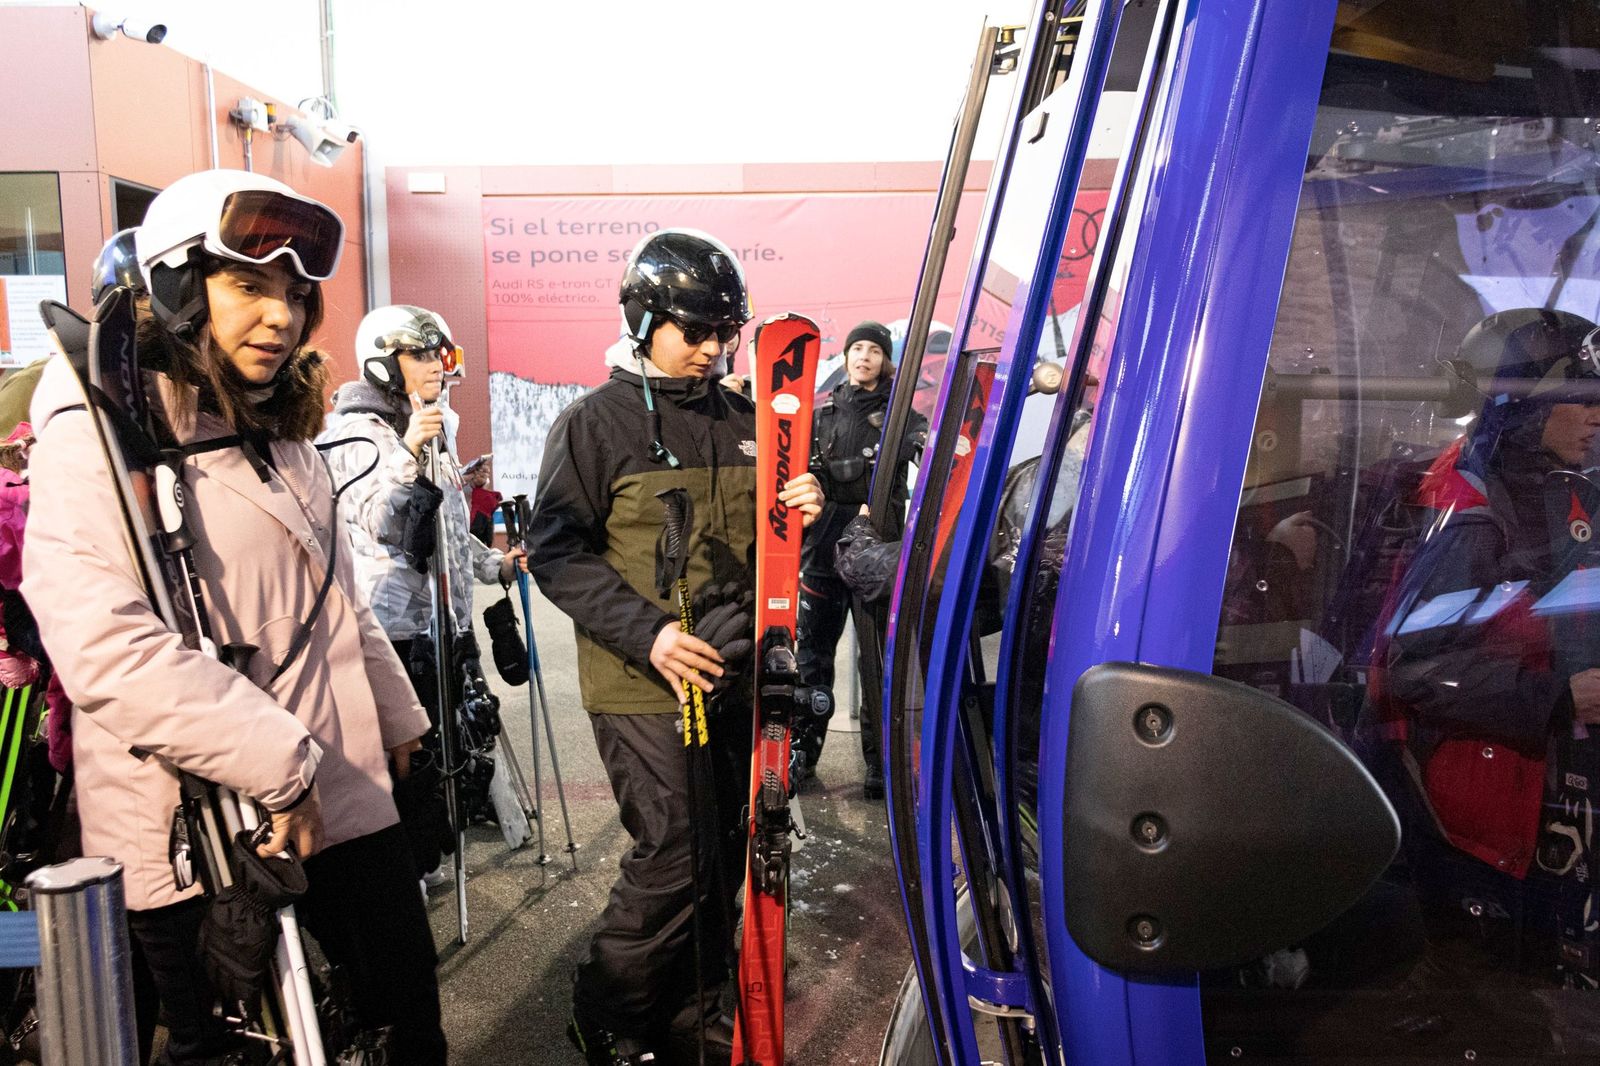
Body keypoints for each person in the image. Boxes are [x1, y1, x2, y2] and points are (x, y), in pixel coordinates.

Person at [22, 169, 447, 1063]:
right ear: (177, 286)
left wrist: (400, 714)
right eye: (248, 287)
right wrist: (279, 764)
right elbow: (103, 643)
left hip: (336, 783)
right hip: (200, 818)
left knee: (405, 1021)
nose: (281, 316)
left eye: (295, 294)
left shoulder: (277, 422)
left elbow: (331, 596)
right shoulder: (98, 425)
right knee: (237, 1045)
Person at [528, 228, 823, 1066]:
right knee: (673, 855)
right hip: (642, 683)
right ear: (642, 318)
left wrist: (805, 501)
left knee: (725, 849)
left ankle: (691, 1008)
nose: (710, 349)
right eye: (692, 331)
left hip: (734, 676)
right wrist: (650, 633)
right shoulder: (595, 424)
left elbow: (775, 542)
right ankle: (609, 1012)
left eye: (722, 334)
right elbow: (554, 550)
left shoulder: (744, 417)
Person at [1372, 308, 1600, 983]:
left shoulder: (1547, 486)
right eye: (1582, 402)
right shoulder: (1471, 510)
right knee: (1509, 998)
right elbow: (1416, 667)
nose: (1597, 419)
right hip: (1486, 827)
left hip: (1545, 797)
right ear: (1525, 409)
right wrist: (1560, 696)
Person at [320, 304, 527, 875]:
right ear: (383, 363)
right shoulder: (355, 436)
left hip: (446, 620)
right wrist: (409, 452)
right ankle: (399, 869)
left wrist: (494, 567)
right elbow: (386, 521)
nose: (435, 364)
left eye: (440, 352)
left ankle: (434, 844)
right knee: (409, 757)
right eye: (418, 353)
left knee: (452, 747)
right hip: (396, 629)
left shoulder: (435, 427)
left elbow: (448, 528)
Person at [792, 320, 925, 797]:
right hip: (823, 553)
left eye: (873, 349)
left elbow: (936, 460)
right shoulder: (822, 414)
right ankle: (801, 755)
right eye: (857, 348)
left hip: (875, 559)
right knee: (810, 664)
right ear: (846, 357)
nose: (864, 355)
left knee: (879, 665)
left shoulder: (901, 416)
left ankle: (881, 765)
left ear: (885, 360)